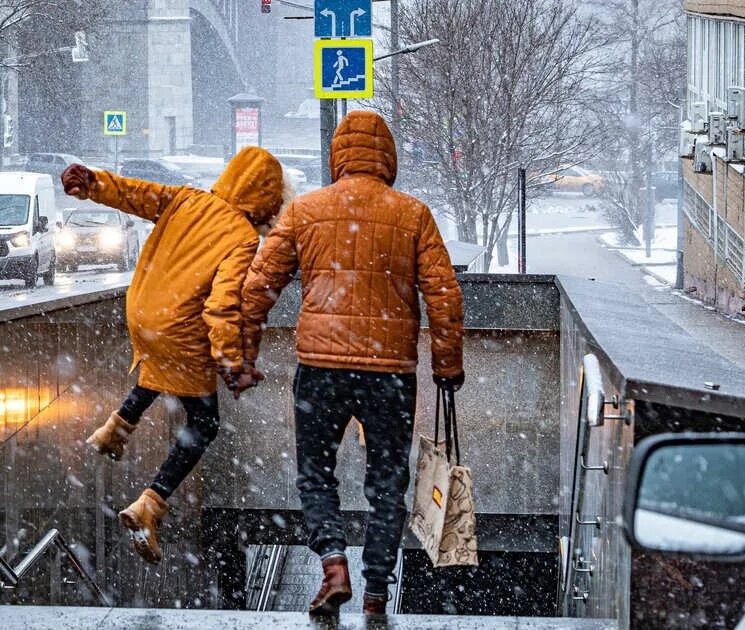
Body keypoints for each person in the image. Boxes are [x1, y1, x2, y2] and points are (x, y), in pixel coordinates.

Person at [240, 111, 464, 616]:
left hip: (320, 368)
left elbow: (257, 288)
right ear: (389, 158)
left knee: (316, 475)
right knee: (388, 484)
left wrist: (243, 353)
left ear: (337, 156)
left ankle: (334, 563)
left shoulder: (303, 211)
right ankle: (377, 591)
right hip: (390, 373)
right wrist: (446, 365)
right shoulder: (413, 215)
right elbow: (445, 296)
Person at [62, 147, 285, 565]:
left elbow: (137, 194)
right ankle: (150, 505)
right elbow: (221, 308)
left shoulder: (188, 199)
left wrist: (92, 183)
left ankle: (115, 428)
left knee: (160, 364)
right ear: (267, 201)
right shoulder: (241, 237)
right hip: (179, 325)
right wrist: (231, 362)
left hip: (143, 310)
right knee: (205, 421)